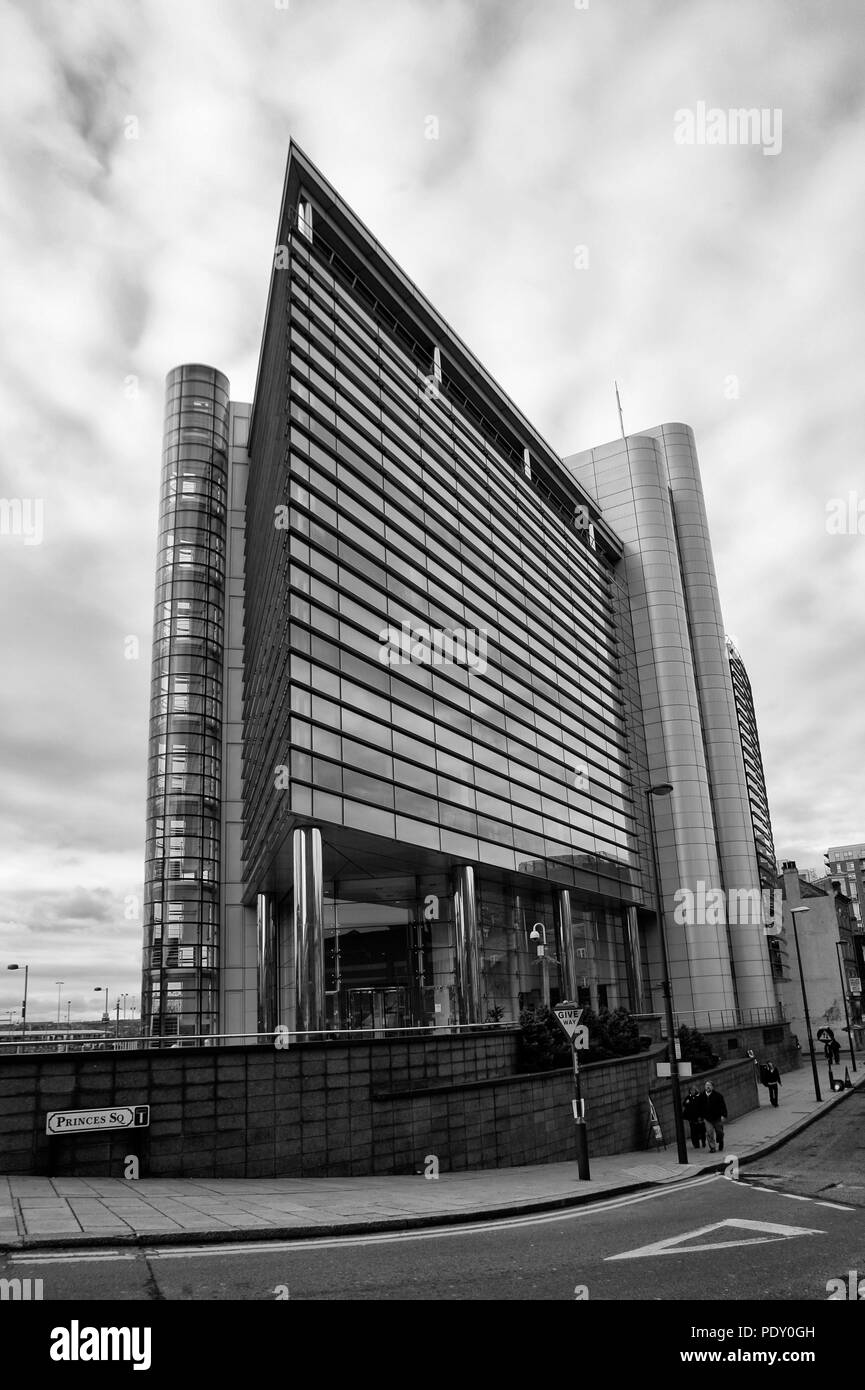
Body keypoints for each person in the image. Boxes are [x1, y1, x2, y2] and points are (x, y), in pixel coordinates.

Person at [701, 1079, 728, 1152]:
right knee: (709, 1132)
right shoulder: (702, 1096)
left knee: (720, 1132)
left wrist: (723, 1115)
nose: (708, 1087)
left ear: (713, 1087)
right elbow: (699, 1107)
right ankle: (712, 1148)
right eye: (706, 1085)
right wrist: (701, 1116)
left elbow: (723, 1106)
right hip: (707, 1118)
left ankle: (720, 1141)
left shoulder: (718, 1096)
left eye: (709, 1085)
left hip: (717, 1117)